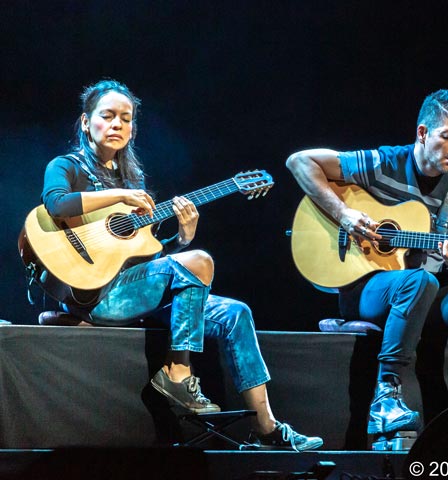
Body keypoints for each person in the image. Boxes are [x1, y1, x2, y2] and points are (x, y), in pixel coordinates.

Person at [37, 79, 322, 451]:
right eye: (107, 116)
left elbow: (148, 260)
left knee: (235, 311)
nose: (117, 124)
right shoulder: (68, 167)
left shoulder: (133, 183)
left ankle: (267, 430)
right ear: (86, 123)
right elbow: (56, 204)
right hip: (95, 294)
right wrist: (122, 195)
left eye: (126, 118)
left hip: (133, 294)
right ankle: (178, 372)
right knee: (200, 261)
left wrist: (182, 239)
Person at [286, 89, 448, 433]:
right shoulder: (384, 163)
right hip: (367, 289)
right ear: (423, 133)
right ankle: (385, 399)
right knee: (419, 281)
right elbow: (299, 162)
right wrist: (344, 214)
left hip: (426, 288)